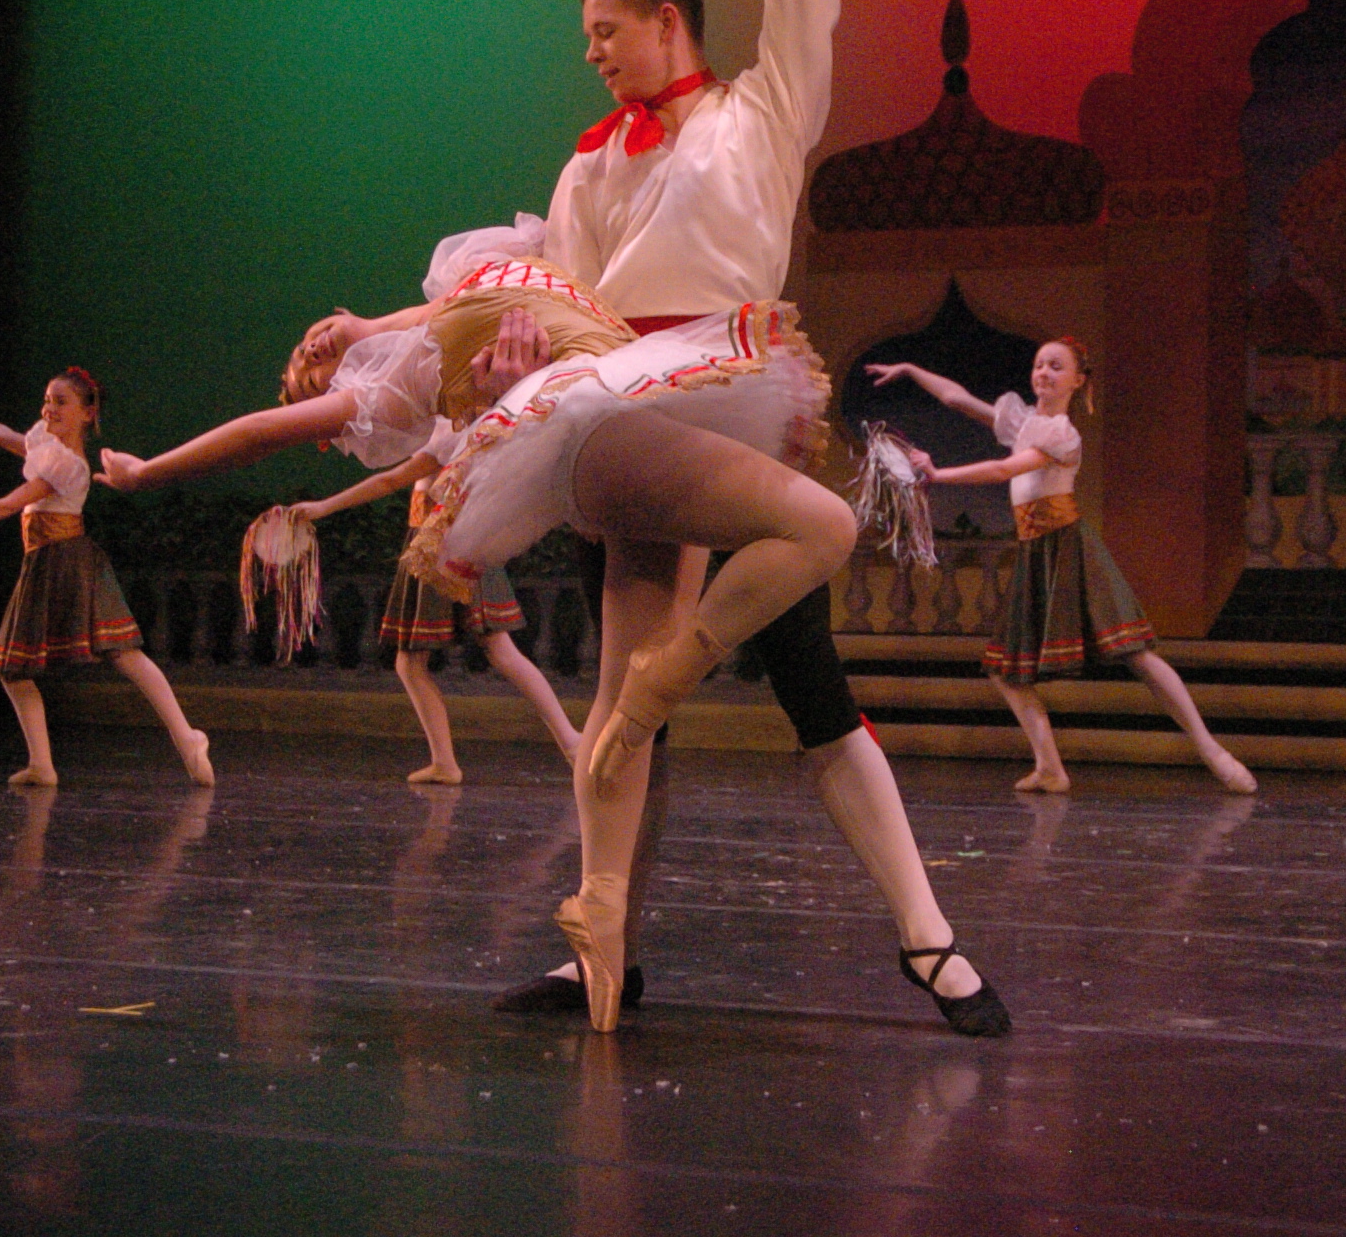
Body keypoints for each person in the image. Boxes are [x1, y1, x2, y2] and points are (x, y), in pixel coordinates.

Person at [304, 0, 1008, 1036]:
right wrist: (472, 341)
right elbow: (550, 299)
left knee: (808, 694)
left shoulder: (761, 115)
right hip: (625, 429)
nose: (591, 51)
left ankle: (928, 940)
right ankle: (603, 950)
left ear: (668, 20)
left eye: (605, 30)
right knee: (624, 709)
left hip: (736, 413)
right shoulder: (590, 167)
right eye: (585, 35)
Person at [97, 246, 873, 1030]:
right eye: (311, 376)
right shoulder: (391, 389)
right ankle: (669, 675)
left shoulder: (444, 299)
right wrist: (147, 473)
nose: (311, 353)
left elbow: (478, 295)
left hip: (643, 408)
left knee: (621, 711)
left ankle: (603, 927)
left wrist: (381, 325)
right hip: (599, 431)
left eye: (308, 345)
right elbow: (260, 433)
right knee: (822, 526)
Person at [869, 340, 1257, 797]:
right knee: (1005, 670)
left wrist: (938, 474)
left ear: (1078, 381)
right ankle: (1049, 768)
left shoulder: (1062, 434)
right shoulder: (1023, 423)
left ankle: (1212, 751)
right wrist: (910, 368)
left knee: (1135, 653)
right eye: (1039, 365)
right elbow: (957, 398)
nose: (1044, 372)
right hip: (1035, 552)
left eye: (1056, 366)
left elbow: (1004, 470)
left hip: (1068, 547)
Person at [0, 368, 212, 789]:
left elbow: (7, 505)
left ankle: (186, 736)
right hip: (44, 563)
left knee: (122, 653)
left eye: (61, 402)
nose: (49, 408)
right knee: (14, 669)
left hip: (68, 562)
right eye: (47, 400)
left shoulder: (67, 465)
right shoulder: (47, 447)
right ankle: (41, 765)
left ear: (87, 413)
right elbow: (4, 436)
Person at [285, 417, 582, 780]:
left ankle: (555, 743)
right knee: (485, 651)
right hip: (449, 534)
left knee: (426, 660)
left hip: (439, 539)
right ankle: (557, 742)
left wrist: (325, 506)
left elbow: (390, 480)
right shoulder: (461, 423)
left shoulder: (450, 428)